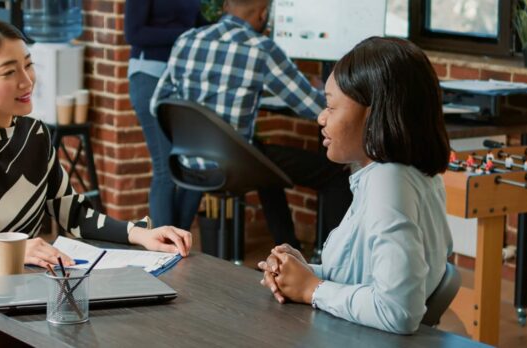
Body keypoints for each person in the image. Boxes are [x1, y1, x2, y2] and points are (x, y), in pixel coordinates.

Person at [0, 19, 194, 348]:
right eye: (8, 72)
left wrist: (141, 234)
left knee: (89, 318)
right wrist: (5, 249)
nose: (26, 81)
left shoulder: (35, 136)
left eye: (28, 65)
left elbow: (74, 213)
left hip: (2, 299)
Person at [257, 37, 454, 335]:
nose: (321, 118)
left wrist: (313, 289)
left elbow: (397, 309)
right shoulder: (400, 174)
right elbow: (362, 277)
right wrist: (302, 274)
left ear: (373, 113)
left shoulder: (389, 182)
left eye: (331, 107)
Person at [151, 0, 351, 250]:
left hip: (187, 163)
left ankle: (289, 249)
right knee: (336, 172)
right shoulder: (261, 49)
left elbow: (157, 103)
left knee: (264, 161)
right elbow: (313, 107)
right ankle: (329, 262)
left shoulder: (187, 40)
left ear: (225, 6)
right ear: (263, 14)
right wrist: (333, 95)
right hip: (234, 166)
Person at [124, 0, 207, 230]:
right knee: (166, 169)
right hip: (149, 76)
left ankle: (174, 243)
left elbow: (199, 24)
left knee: (197, 168)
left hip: (180, 81)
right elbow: (133, 33)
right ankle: (165, 248)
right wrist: (187, 34)